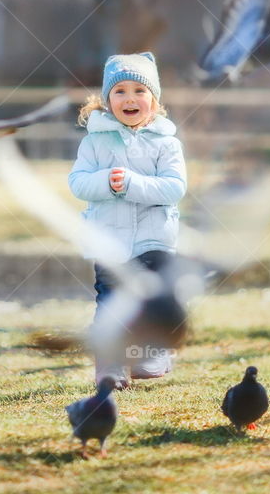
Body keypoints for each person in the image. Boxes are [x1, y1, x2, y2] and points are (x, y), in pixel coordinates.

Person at [68, 52, 187, 387]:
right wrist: (107, 182)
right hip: (110, 242)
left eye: (139, 90)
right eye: (120, 91)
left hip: (154, 241)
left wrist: (133, 184)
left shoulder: (167, 143)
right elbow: (78, 183)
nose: (130, 98)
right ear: (107, 100)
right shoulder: (95, 141)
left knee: (152, 301)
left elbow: (174, 187)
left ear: (154, 100)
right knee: (110, 301)